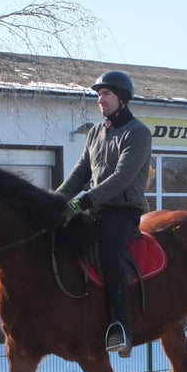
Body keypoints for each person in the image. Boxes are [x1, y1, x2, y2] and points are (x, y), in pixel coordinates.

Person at [58, 70, 152, 357]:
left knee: (110, 254)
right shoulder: (96, 132)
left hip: (123, 211)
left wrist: (82, 202)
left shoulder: (138, 133)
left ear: (122, 98)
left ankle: (121, 329)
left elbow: (122, 178)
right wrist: (54, 200)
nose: (100, 99)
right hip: (95, 209)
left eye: (106, 94)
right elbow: (80, 172)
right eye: (98, 94)